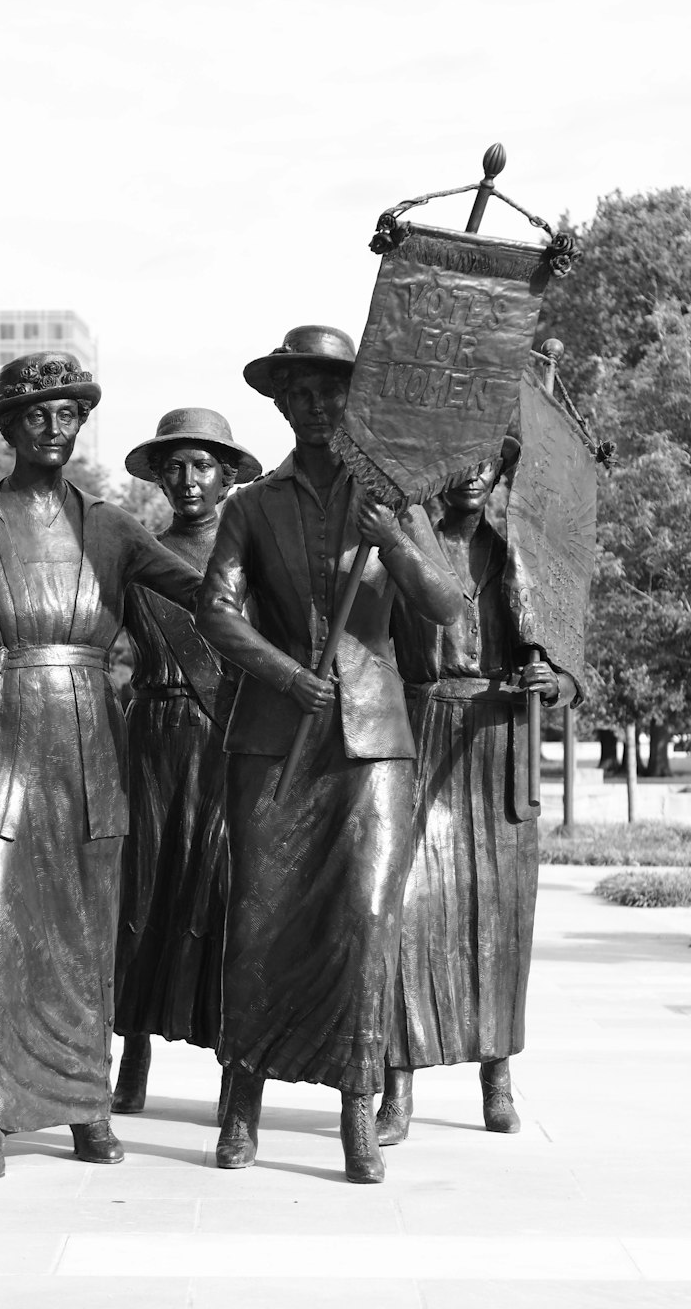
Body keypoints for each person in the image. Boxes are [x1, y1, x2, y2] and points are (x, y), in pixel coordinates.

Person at [0, 353, 202, 1181]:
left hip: (86, 741)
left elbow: (205, 590)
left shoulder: (110, 526)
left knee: (83, 933)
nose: (55, 425)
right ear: (7, 426)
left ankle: (85, 1106)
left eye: (69, 411)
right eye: (38, 411)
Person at [196, 325, 462, 1183]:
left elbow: (446, 607)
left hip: (375, 736)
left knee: (364, 920)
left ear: (354, 400)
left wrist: (395, 540)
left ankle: (355, 1104)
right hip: (277, 738)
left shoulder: (393, 498)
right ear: (279, 402)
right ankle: (241, 1105)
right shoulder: (250, 506)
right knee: (259, 919)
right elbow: (218, 613)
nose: (314, 406)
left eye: (330, 391)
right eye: (299, 392)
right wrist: (281, 675)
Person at [377, 446, 578, 1145]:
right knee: (406, 911)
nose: (471, 474)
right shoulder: (404, 539)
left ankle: (497, 1076)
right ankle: (395, 1086)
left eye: (486, 462)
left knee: (499, 917)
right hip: (420, 729)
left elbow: (570, 662)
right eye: (458, 459)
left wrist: (556, 684)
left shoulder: (526, 554)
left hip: (497, 742)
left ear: (501, 473)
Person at [111, 409, 260, 1117]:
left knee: (227, 898)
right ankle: (131, 1051)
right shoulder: (136, 557)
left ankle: (237, 1068)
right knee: (142, 894)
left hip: (229, 741)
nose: (186, 479)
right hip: (152, 739)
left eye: (201, 465)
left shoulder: (252, 561)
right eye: (173, 466)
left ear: (228, 477)